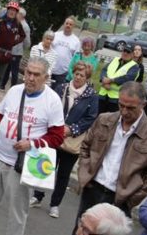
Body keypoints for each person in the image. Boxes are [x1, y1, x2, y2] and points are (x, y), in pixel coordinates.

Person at [0, 57, 65, 235]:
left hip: (21, 166)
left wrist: (33, 144)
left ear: (46, 77)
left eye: (36, 74)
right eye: (28, 72)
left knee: (17, 215)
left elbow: (58, 137)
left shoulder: (52, 101)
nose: (30, 78)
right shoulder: (14, 91)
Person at [73, 81, 147, 232]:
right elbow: (85, 147)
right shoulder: (104, 119)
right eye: (121, 105)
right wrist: (85, 173)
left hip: (121, 199)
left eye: (131, 108)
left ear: (144, 104)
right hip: (93, 189)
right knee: (82, 230)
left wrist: (131, 199)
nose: (124, 111)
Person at [30, 62, 99, 218]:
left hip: (72, 142)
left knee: (63, 175)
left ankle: (55, 205)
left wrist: (71, 129)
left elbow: (90, 118)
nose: (78, 77)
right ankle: (37, 196)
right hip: (54, 136)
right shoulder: (62, 88)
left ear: (87, 78)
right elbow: (49, 106)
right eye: (76, 73)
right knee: (45, 167)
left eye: (82, 75)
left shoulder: (92, 96)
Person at [98, 46, 139, 114]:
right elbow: (104, 70)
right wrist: (103, 80)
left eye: (128, 52)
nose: (125, 53)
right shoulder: (115, 59)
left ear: (132, 54)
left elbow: (127, 78)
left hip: (117, 98)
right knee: (98, 116)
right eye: (124, 51)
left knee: (111, 120)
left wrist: (111, 80)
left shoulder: (134, 66)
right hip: (103, 93)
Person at [1, 7, 31, 89]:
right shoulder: (15, 23)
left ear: (21, 15)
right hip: (10, 49)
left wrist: (22, 48)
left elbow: (27, 41)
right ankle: (2, 84)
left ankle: (13, 87)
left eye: (17, 13)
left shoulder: (25, 26)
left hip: (17, 52)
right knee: (6, 68)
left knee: (14, 70)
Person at [51, 17, 81, 91]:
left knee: (58, 93)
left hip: (64, 72)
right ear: (64, 24)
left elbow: (76, 59)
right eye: (66, 23)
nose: (68, 25)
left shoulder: (76, 41)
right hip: (50, 69)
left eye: (70, 24)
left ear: (73, 27)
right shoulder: (55, 35)